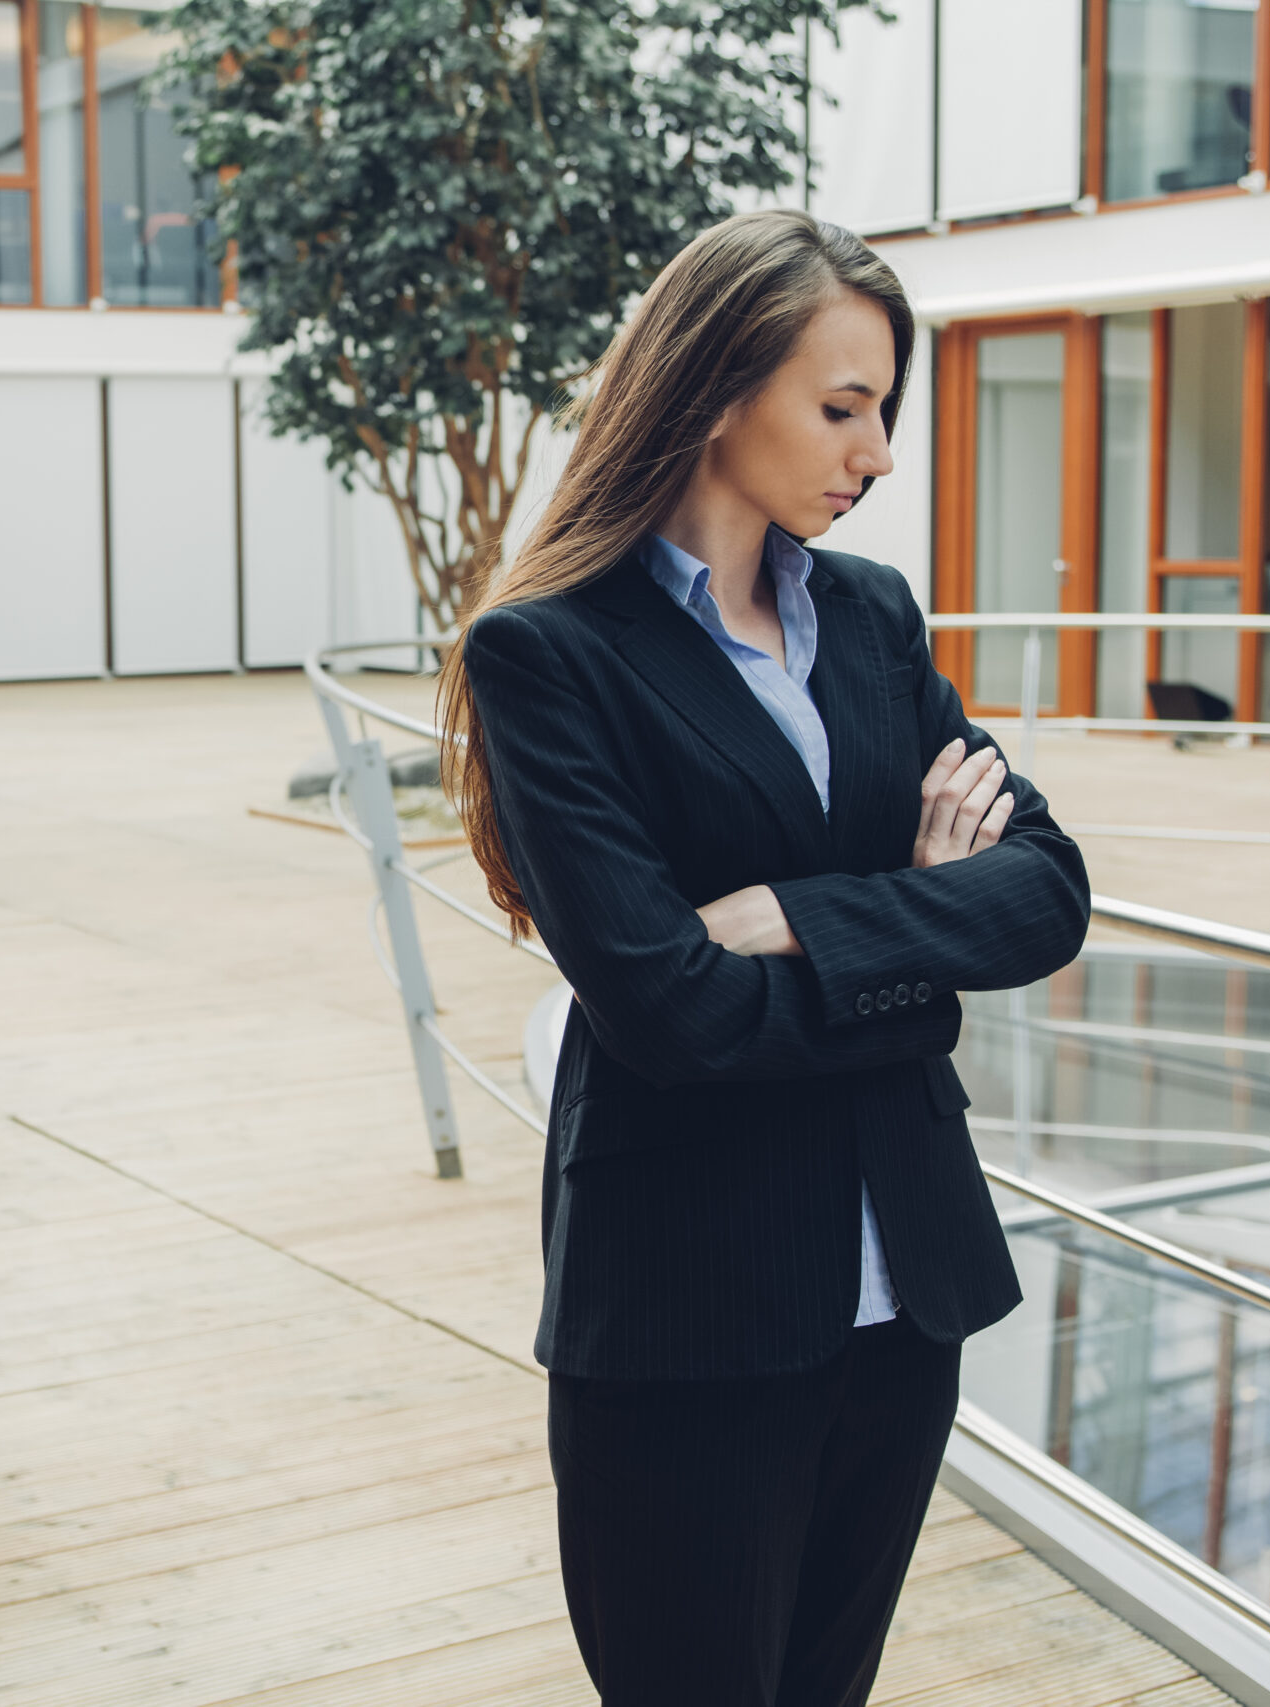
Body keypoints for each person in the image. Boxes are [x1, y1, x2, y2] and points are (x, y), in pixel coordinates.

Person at [440, 210, 1092, 1705]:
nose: (876, 453)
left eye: (886, 411)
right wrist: (919, 937)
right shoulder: (547, 651)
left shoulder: (865, 616)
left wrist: (801, 912)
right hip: (691, 1296)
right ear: (717, 384)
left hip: (901, 1290)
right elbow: (669, 1009)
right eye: (843, 406)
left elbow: (1045, 888)